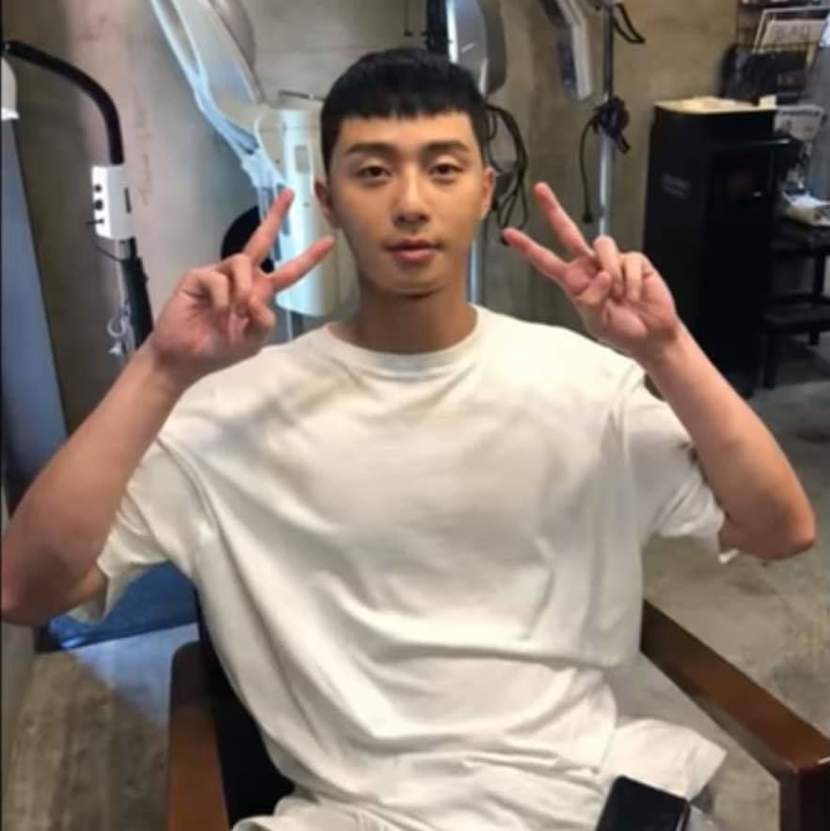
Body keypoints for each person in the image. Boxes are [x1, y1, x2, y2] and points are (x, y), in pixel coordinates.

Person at [1, 48, 815, 831]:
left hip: (586, 792)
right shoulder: (233, 415)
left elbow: (780, 527)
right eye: (373, 171)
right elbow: (25, 589)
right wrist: (159, 369)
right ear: (327, 198)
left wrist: (667, 350)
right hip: (362, 813)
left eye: (444, 168)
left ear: (484, 190)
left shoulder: (583, 385)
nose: (412, 203)